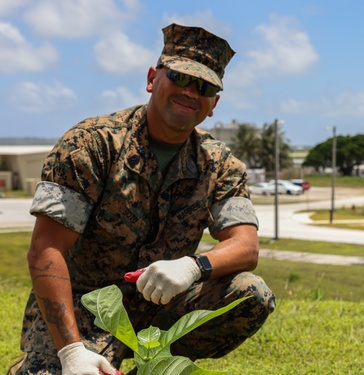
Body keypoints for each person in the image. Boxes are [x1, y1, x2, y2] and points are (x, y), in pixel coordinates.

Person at [9, 23, 276, 375]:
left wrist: (194, 266)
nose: (190, 91)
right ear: (152, 78)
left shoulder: (219, 163)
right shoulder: (92, 144)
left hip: (160, 302)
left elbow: (246, 247)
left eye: (205, 86)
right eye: (179, 76)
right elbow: (46, 249)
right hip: (86, 306)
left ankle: (156, 367)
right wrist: (72, 352)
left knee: (250, 292)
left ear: (214, 103)